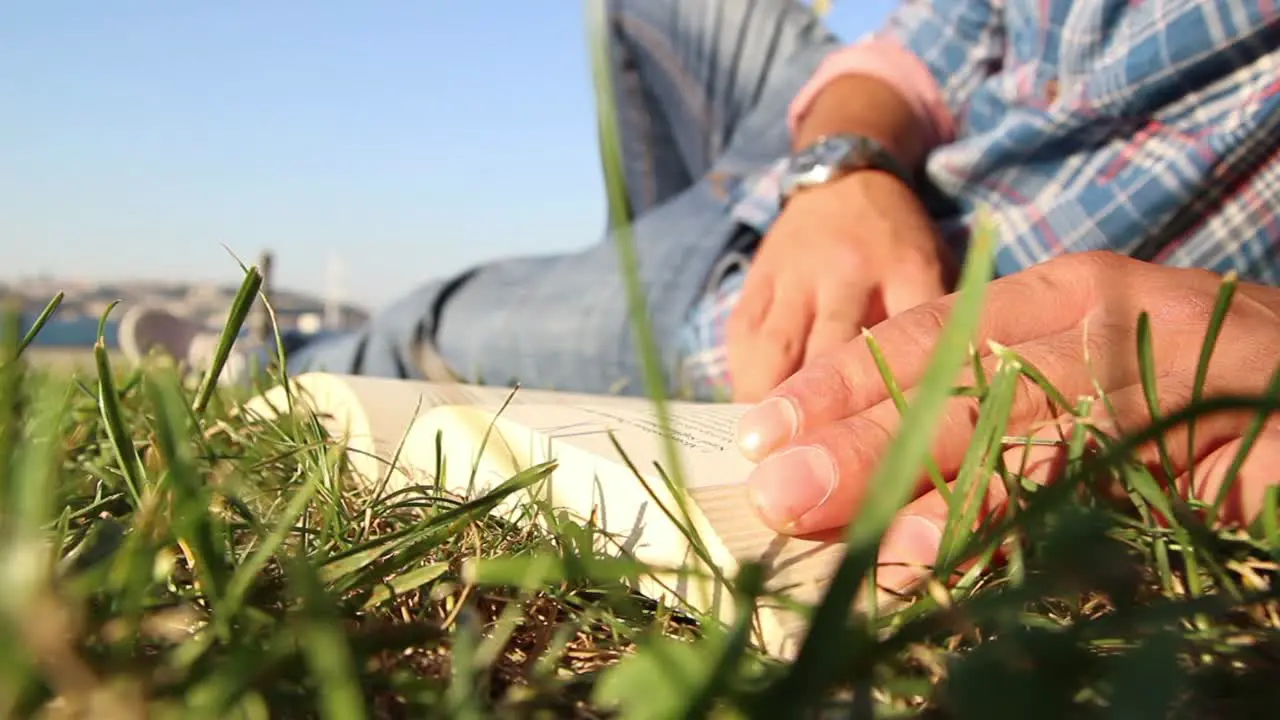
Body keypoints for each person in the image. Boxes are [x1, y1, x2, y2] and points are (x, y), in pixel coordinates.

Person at [122, 0, 1280, 588]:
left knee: (439, 321)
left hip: (838, 322)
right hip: (833, 193)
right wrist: (843, 166)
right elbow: (911, 55)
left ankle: (272, 362)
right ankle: (658, 259)